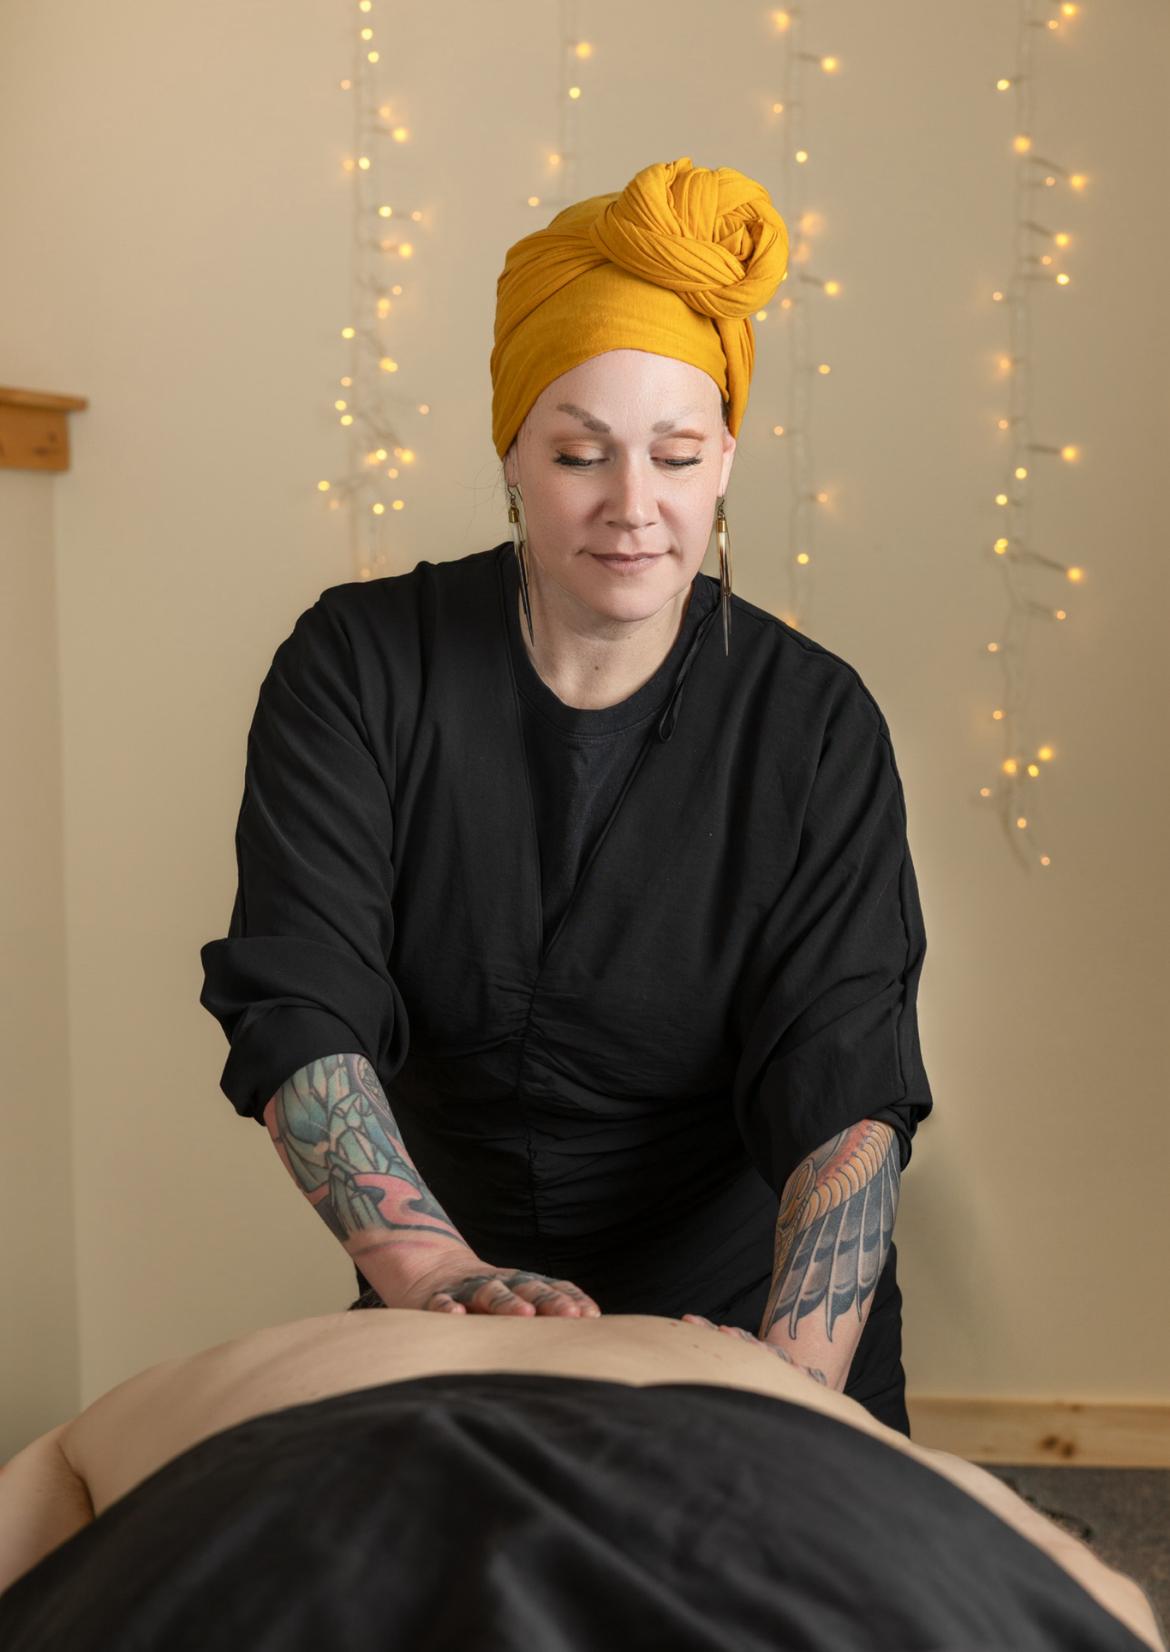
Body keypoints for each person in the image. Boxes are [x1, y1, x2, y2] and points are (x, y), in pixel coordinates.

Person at [199, 155, 934, 1435]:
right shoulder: (360, 665)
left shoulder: (816, 723)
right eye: (582, 452)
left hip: (753, 1318)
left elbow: (845, 1075)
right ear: (514, 452)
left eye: (678, 453)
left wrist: (786, 1386)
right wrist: (436, 1276)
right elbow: (301, 999)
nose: (635, 507)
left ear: (727, 463)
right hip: (456, 1305)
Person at [0, 1309, 1163, 1651]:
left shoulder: (206, 1368)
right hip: (773, 1495)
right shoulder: (761, 1374)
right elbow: (1093, 1589)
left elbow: (38, 1495)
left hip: (296, 1496)